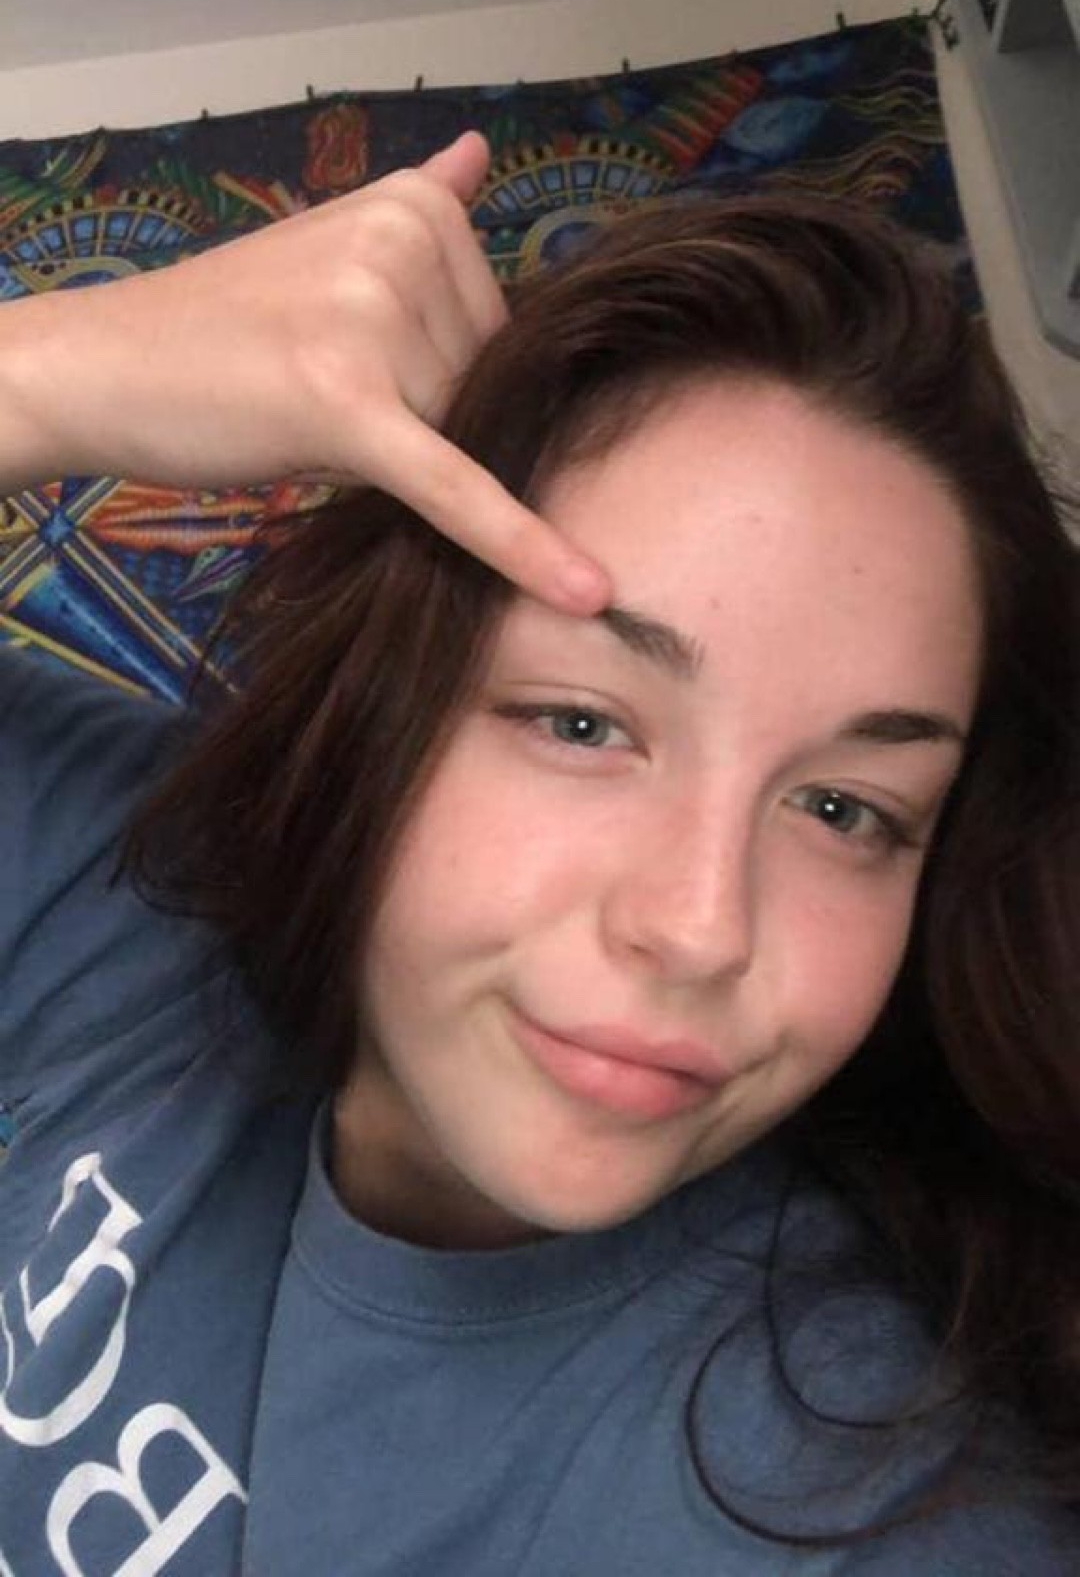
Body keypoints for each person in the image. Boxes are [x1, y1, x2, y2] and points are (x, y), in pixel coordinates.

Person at [0, 131, 1077, 1574]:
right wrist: (46, 374)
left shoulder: (849, 1495)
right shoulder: (153, 898)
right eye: (582, 723)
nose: (700, 928)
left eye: (844, 810)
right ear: (377, 707)